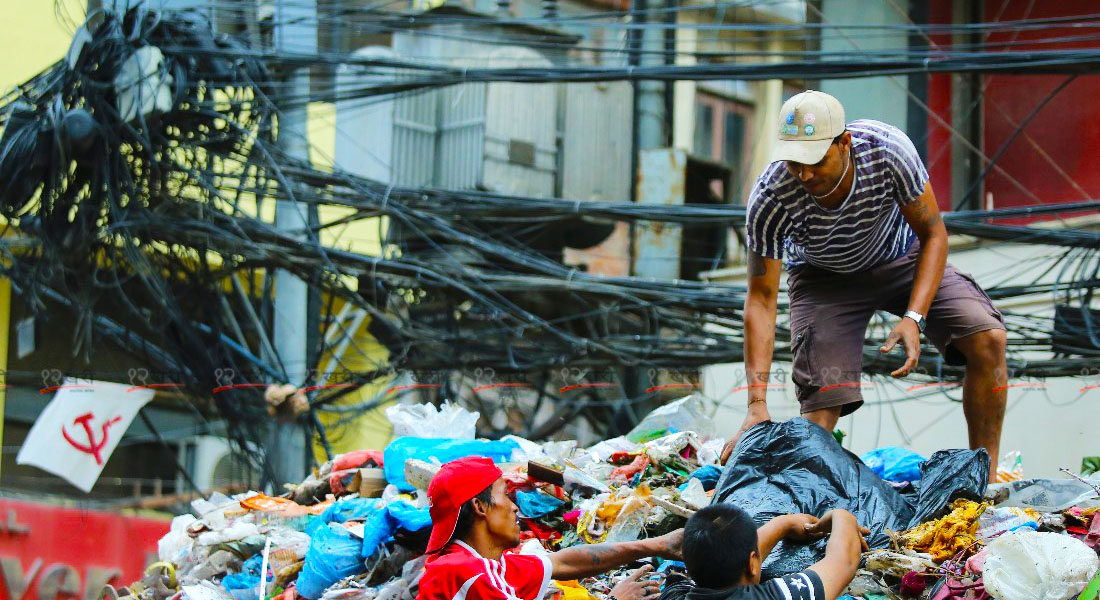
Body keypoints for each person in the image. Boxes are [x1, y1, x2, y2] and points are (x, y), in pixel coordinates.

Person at [723, 90, 1008, 480]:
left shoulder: (887, 149)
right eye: (794, 162)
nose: (804, 174)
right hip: (823, 280)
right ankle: (809, 500)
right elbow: (761, 299)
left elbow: (934, 235)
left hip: (901, 259)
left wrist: (914, 317)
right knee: (823, 404)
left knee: (988, 338)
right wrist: (756, 403)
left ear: (844, 143)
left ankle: (986, 477)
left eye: (815, 161)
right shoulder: (772, 195)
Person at [417, 456, 683, 600]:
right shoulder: (465, 573)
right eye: (505, 496)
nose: (514, 507)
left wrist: (657, 545)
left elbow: (564, 562)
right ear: (480, 506)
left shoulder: (483, 564)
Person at [661, 505, 868, 600]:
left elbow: (722, 551)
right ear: (752, 563)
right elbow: (844, 560)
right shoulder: (776, 597)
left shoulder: (673, 594)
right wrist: (841, 516)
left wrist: (784, 523)